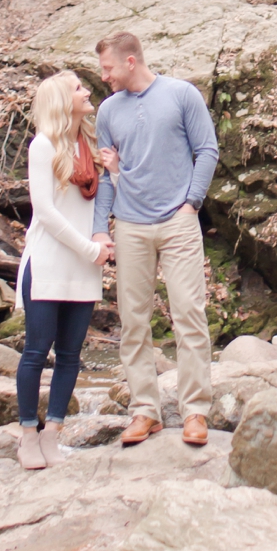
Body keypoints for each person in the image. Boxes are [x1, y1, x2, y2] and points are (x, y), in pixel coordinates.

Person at [93, 30, 219, 447]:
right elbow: (107, 175)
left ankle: (195, 411)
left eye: (108, 67)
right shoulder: (108, 111)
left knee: (188, 314)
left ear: (130, 61)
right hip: (129, 225)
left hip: (178, 222)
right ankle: (144, 411)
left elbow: (207, 150)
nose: (104, 75)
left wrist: (192, 204)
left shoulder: (182, 94)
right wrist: (101, 225)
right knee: (133, 322)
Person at [14, 69, 112, 472]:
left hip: (83, 265)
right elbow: (47, 213)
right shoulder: (44, 146)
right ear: (60, 100)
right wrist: (91, 248)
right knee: (37, 352)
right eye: (77, 88)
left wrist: (116, 174)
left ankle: (53, 433)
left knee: (71, 356)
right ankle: (26, 437)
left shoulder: (88, 144)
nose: (87, 91)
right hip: (49, 262)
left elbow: (101, 199)